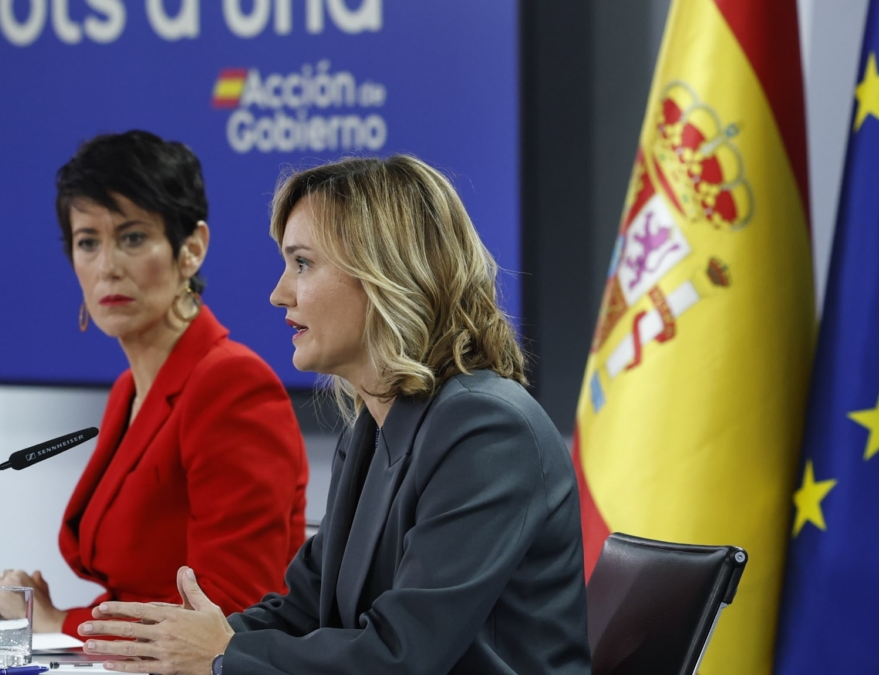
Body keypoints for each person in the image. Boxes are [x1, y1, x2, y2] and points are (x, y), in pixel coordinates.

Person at [76, 155, 591, 674]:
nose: (279, 294)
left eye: (302, 263)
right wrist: (169, 642)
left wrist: (223, 655)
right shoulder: (374, 426)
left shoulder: (486, 431)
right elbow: (303, 610)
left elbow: (400, 656)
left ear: (385, 271)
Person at [0, 130, 309, 639]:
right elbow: (135, 589)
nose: (107, 267)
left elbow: (233, 611)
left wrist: (55, 623)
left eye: (133, 237)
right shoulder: (127, 392)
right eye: (87, 242)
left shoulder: (232, 383)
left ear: (191, 249)